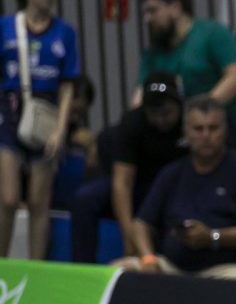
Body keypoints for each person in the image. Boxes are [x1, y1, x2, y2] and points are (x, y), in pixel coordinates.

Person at [116, 96, 236, 280]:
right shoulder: (172, 173)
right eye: (198, 129)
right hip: (173, 267)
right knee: (119, 272)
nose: (206, 135)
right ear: (186, 132)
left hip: (227, 269)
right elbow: (141, 224)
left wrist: (213, 237)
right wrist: (148, 258)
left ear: (225, 130)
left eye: (213, 128)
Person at [1, 0, 80, 259]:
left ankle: (35, 271)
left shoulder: (65, 33)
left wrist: (61, 129)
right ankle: (2, 267)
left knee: (39, 202)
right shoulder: (6, 27)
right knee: (8, 199)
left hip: (46, 116)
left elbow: (68, 84)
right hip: (9, 114)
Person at [69, 72, 186, 263]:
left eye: (166, 113)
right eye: (154, 114)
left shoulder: (191, 123)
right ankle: (83, 267)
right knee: (85, 199)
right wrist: (128, 235)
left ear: (179, 105)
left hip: (174, 192)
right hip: (137, 187)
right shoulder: (132, 122)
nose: (161, 120)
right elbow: (122, 183)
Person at [137, 0, 236, 150]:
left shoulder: (212, 33)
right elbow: (143, 92)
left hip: (228, 130)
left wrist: (200, 111)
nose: (147, 19)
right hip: (179, 131)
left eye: (153, 10)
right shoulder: (153, 53)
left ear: (175, 7)